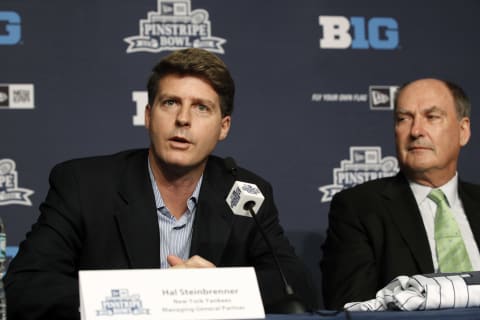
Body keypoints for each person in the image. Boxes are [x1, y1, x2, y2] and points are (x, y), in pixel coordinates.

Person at [5, 48, 317, 319]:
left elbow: (293, 285)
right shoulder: (84, 185)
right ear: (148, 115)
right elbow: (27, 287)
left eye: (201, 107)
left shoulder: (245, 192)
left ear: (223, 127)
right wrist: (149, 296)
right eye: (170, 103)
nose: (183, 119)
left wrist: (219, 289)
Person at [320, 78, 480, 310]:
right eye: (403, 119)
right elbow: (353, 306)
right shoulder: (359, 208)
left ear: (463, 131)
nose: (415, 131)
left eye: (432, 117)